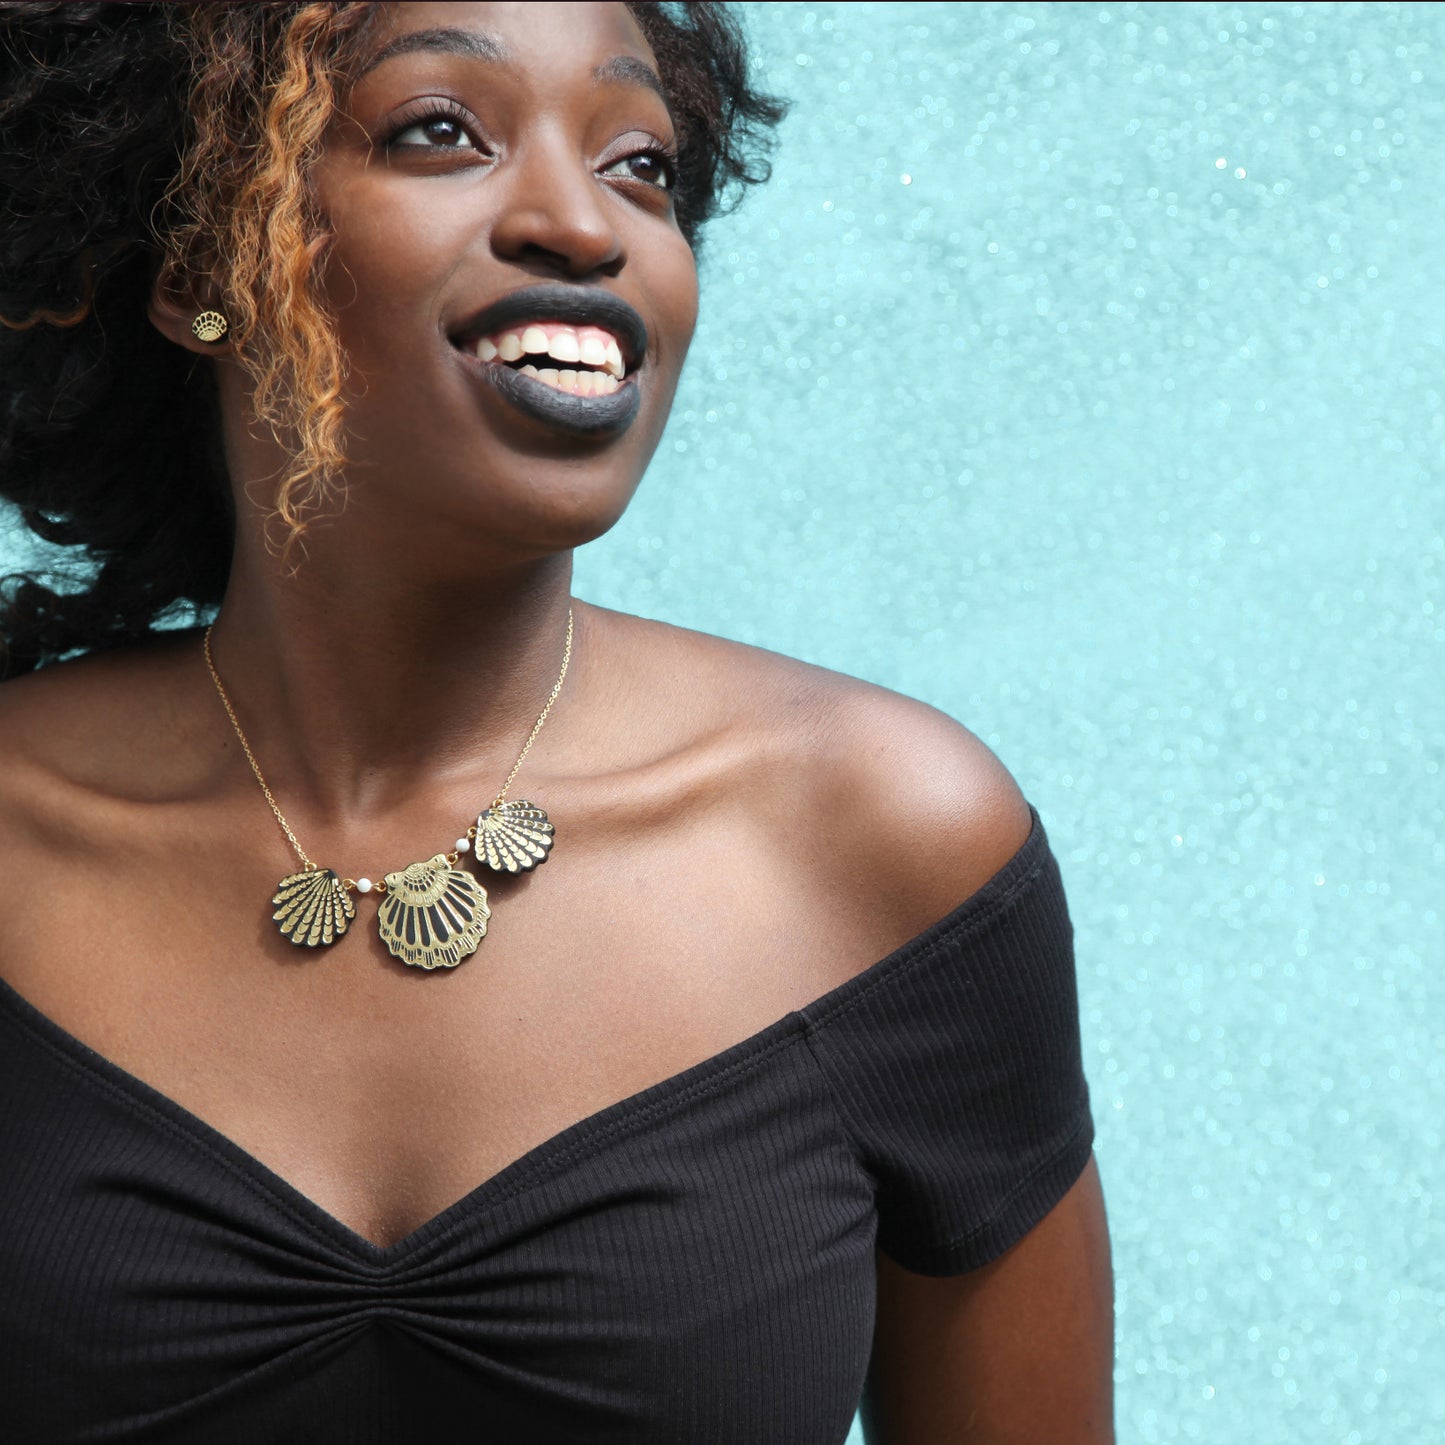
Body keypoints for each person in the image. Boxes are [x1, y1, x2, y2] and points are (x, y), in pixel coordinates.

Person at [0, 2, 1114, 1441]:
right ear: (203, 258)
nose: (582, 226)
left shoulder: (890, 850)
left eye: (639, 163)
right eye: (440, 132)